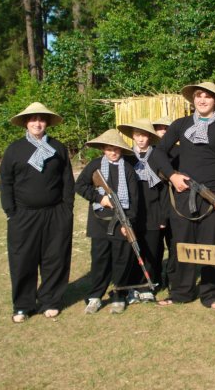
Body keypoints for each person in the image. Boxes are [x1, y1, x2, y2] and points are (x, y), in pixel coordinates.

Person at [149, 82, 215, 311]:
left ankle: (213, 295)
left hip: (212, 196)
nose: (202, 100)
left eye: (207, 96)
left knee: (213, 246)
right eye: (199, 96)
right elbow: (158, 152)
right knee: (181, 244)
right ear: (193, 99)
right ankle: (180, 292)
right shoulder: (181, 125)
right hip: (184, 194)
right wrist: (172, 175)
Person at [0, 102, 74, 323]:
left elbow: (67, 180)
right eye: (33, 119)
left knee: (55, 258)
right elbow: (6, 182)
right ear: (26, 123)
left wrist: (66, 209)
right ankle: (23, 305)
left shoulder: (58, 148)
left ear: (47, 123)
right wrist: (11, 211)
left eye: (42, 119)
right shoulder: (14, 150)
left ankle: (51, 300)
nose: (37, 123)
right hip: (23, 215)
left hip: (55, 214)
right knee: (23, 259)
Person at [75, 129, 139, 315]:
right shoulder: (95, 165)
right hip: (99, 222)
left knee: (121, 260)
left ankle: (119, 295)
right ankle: (95, 296)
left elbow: (135, 199)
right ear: (103, 149)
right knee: (100, 260)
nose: (113, 152)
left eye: (116, 149)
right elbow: (80, 186)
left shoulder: (127, 168)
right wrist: (99, 198)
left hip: (121, 221)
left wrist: (129, 224)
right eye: (109, 148)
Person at [118, 118, 169, 302]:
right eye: (138, 135)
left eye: (145, 136)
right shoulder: (126, 158)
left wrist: (163, 215)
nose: (141, 139)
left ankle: (149, 286)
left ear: (150, 137)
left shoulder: (157, 156)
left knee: (153, 249)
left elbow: (164, 188)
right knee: (133, 249)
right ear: (133, 136)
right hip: (133, 211)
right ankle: (133, 287)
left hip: (154, 210)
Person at [152, 116, 176, 291]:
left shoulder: (180, 152)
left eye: (165, 128)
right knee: (154, 246)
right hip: (153, 206)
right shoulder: (149, 153)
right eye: (159, 128)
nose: (162, 132)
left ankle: (173, 279)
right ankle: (155, 279)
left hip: (174, 204)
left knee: (175, 244)